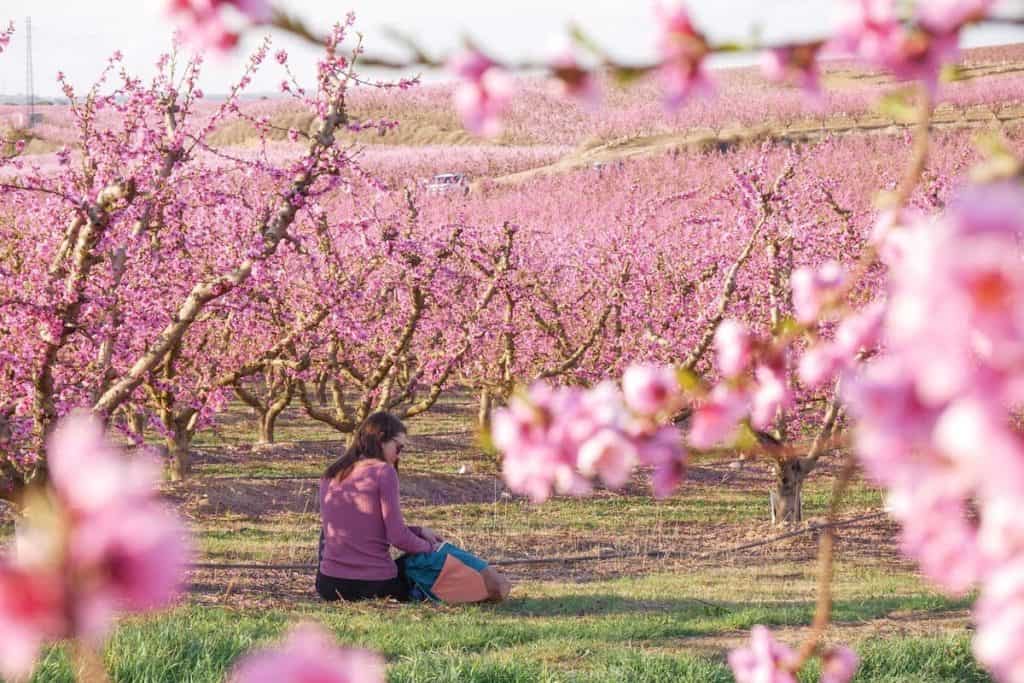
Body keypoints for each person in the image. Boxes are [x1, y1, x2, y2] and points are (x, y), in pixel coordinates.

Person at [316, 411, 511, 603]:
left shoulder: (332, 473)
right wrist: (430, 548)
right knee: (432, 558)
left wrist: (418, 531)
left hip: (328, 585)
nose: (398, 455)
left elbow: (363, 528)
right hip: (373, 584)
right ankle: (490, 584)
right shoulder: (383, 472)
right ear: (381, 439)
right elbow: (398, 537)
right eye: (398, 447)